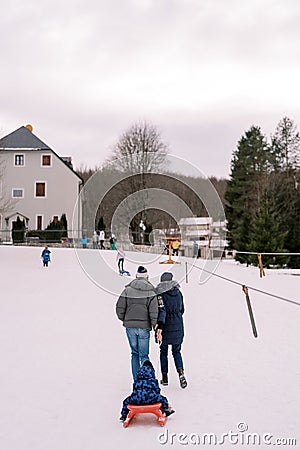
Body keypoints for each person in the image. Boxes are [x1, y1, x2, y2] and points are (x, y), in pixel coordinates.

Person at [116, 266, 158, 381]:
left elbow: (119, 307)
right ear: (147, 277)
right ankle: (145, 380)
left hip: (130, 328)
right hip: (144, 328)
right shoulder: (151, 292)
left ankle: (136, 381)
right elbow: (154, 312)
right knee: (144, 355)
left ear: (136, 277)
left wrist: (125, 320)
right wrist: (154, 326)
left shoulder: (127, 290)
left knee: (134, 354)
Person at [156, 272, 187, 389]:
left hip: (165, 326)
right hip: (178, 325)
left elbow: (160, 311)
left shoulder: (160, 294)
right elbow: (182, 309)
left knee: (163, 351)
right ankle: (181, 373)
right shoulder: (179, 293)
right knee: (177, 351)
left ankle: (165, 378)